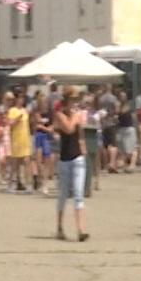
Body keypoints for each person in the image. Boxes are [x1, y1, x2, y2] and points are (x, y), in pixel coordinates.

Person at [54, 87, 89, 241]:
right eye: (72, 100)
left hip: (77, 158)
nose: (74, 103)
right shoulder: (59, 115)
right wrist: (76, 117)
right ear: (66, 100)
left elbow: (79, 132)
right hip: (64, 160)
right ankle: (60, 227)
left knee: (78, 194)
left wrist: (83, 144)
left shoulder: (77, 115)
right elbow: (68, 129)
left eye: (76, 100)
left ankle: (81, 230)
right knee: (63, 195)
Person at [7, 92, 30, 192]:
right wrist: (17, 119)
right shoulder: (12, 110)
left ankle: (27, 184)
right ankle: (12, 183)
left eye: (22, 99)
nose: (21, 100)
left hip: (25, 139)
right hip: (16, 139)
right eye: (19, 98)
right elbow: (10, 124)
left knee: (26, 162)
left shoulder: (25, 111)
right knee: (15, 163)